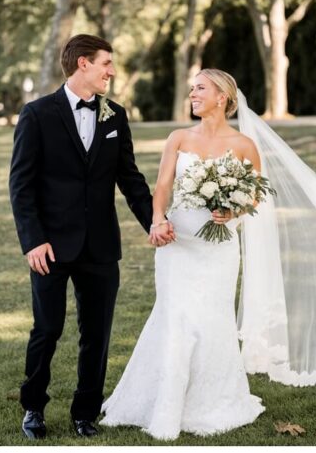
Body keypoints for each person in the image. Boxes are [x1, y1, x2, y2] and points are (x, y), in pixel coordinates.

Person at [8, 34, 172, 439]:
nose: (111, 72)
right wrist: (33, 241)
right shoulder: (37, 114)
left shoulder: (115, 115)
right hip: (49, 247)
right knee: (47, 329)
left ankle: (85, 412)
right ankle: (34, 408)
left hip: (100, 246)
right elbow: (21, 186)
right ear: (83, 64)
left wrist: (154, 219)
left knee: (97, 333)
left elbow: (130, 178)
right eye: (106, 64)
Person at [100, 69, 268, 440]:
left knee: (211, 319)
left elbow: (255, 195)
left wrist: (233, 211)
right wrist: (157, 220)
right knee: (175, 317)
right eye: (191, 88)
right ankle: (163, 405)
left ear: (221, 97)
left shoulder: (243, 145)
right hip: (178, 243)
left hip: (219, 248)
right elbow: (161, 188)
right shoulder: (178, 138)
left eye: (200, 89)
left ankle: (210, 402)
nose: (192, 94)